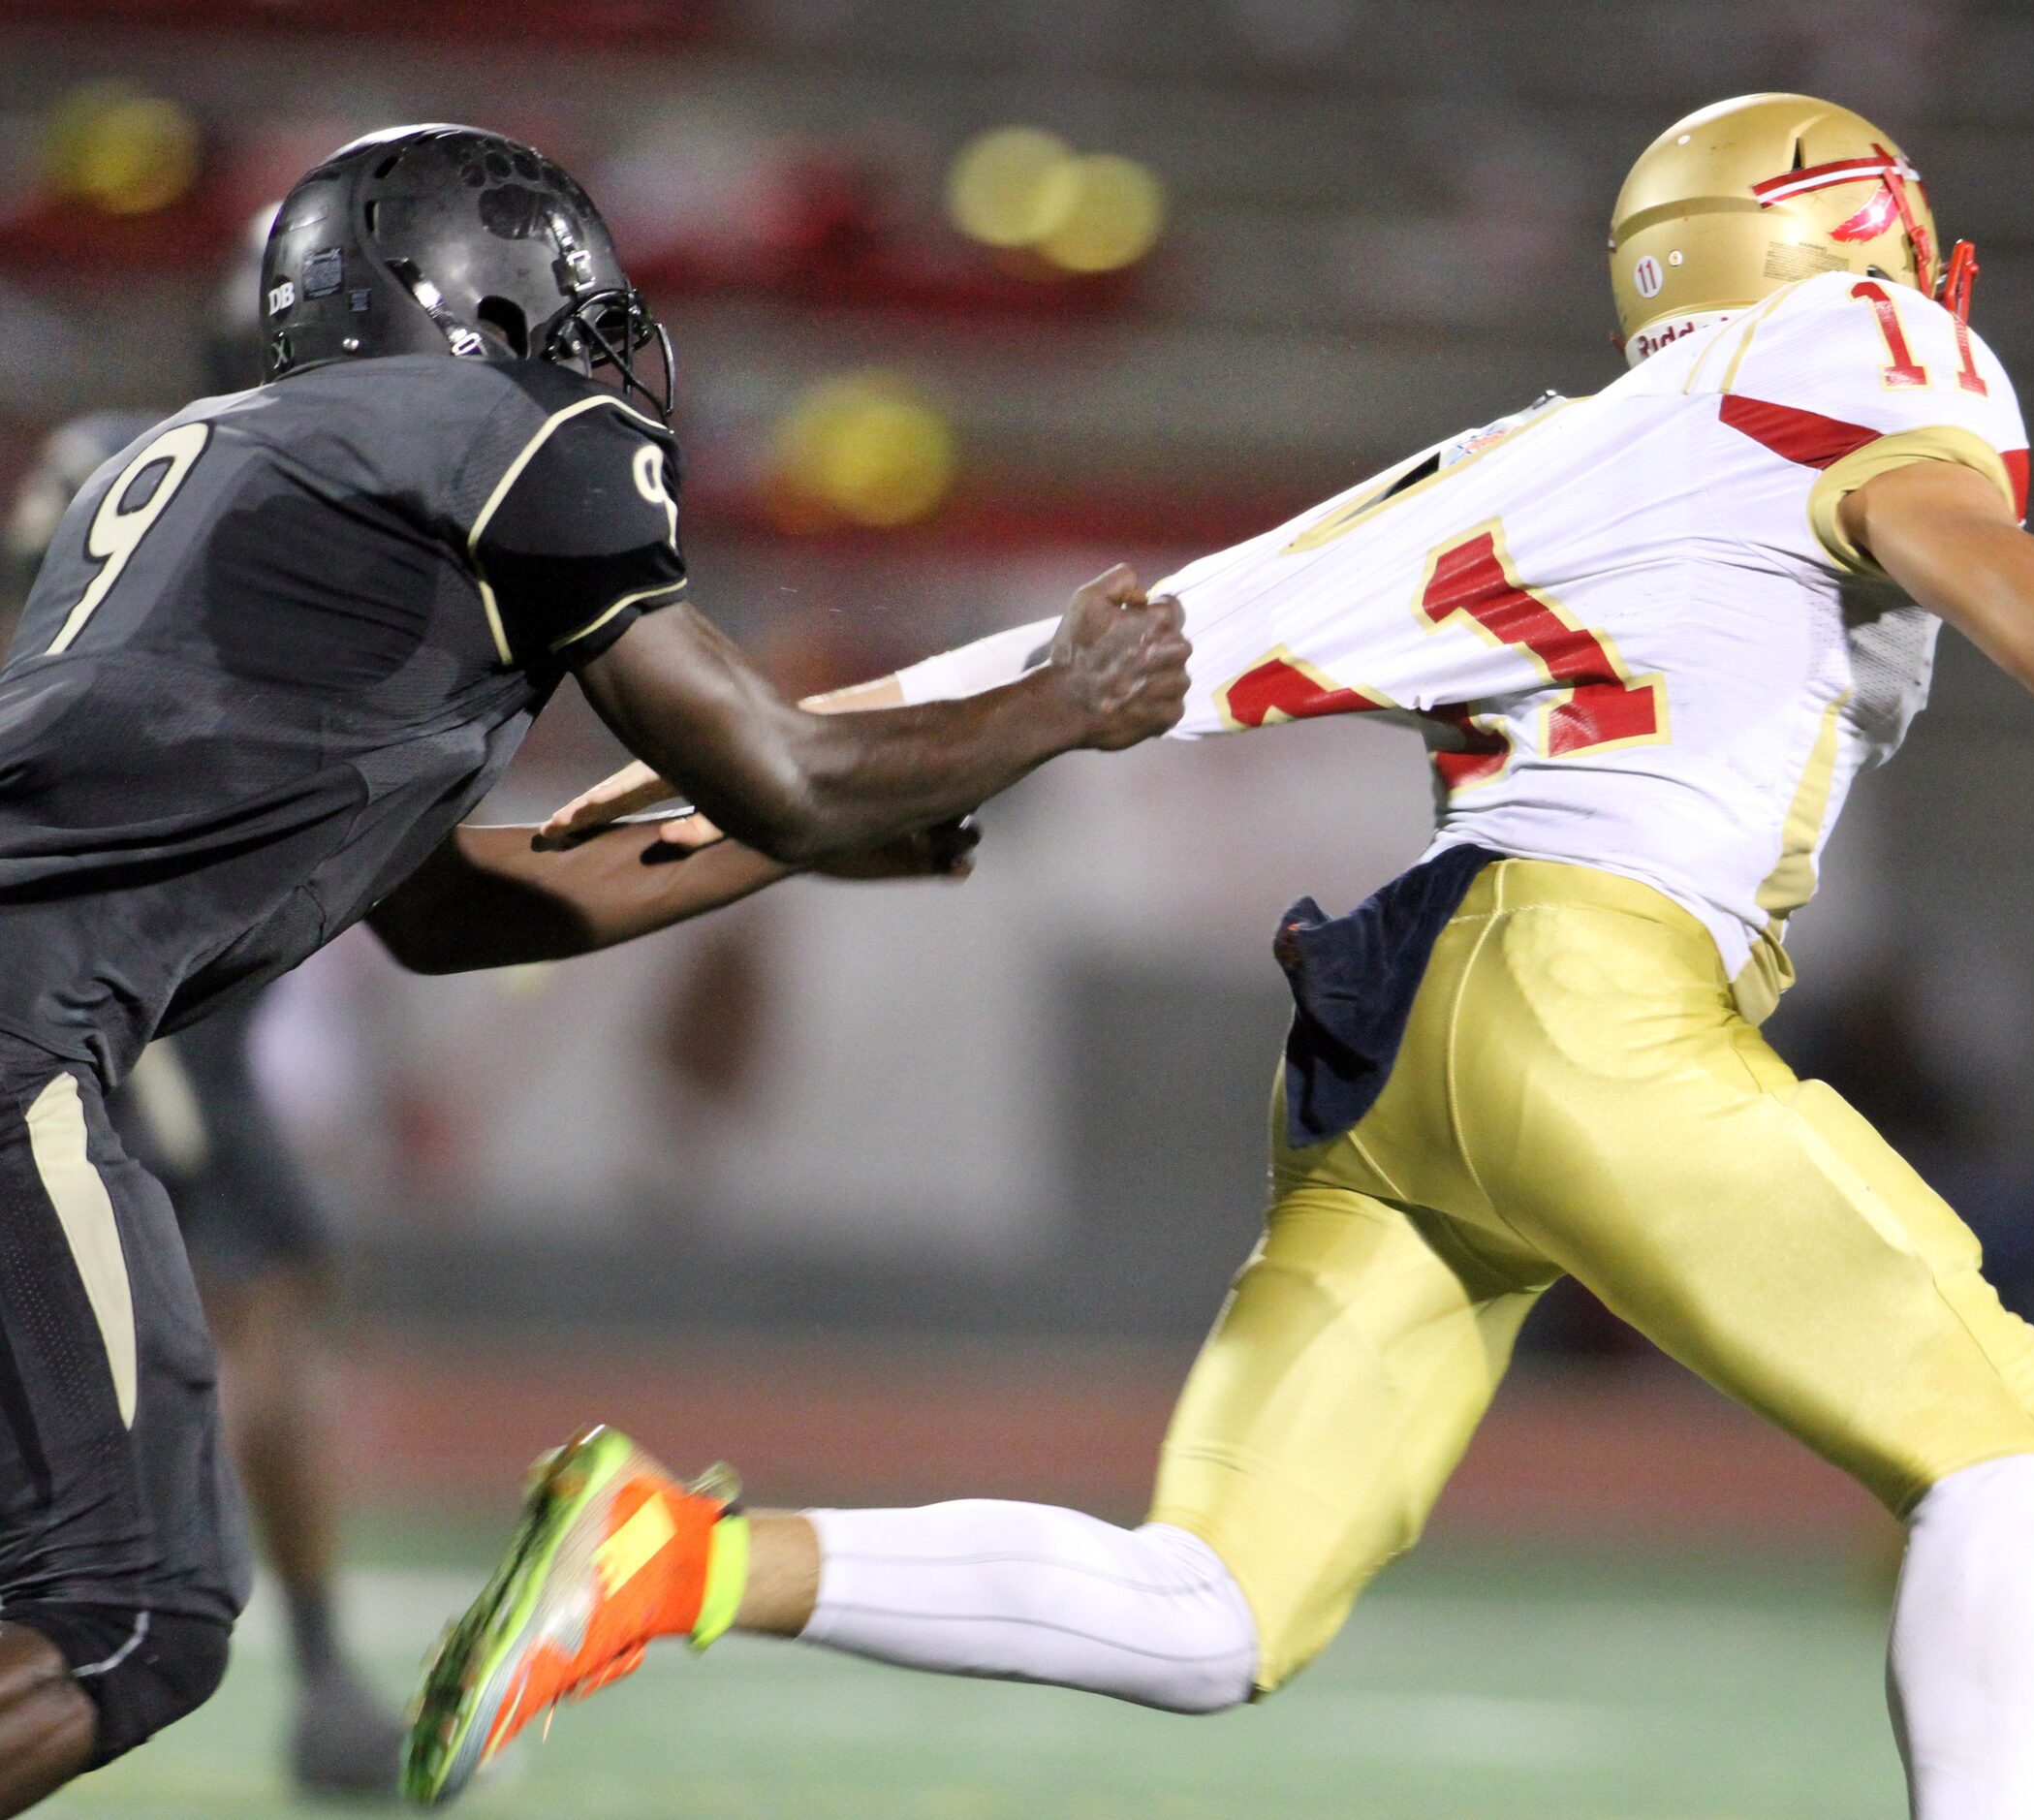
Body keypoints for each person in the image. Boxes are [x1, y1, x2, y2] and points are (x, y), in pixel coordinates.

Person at [425, 95, 2034, 1819]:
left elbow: (1195, 624)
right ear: (1840, 236)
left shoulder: (1577, 448)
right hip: (1587, 997)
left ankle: (671, 1561)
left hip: (1410, 1027)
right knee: (2009, 1455)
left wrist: (727, 775)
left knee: (1210, 1607)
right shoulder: (1862, 363)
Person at [0, 122, 1188, 1816]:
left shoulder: (223, 475)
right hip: (16, 1035)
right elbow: (778, 762)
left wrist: (808, 836)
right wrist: (1066, 703)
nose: (600, 350)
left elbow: (452, 908)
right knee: (126, 1620)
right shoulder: (498, 429)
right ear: (472, 296)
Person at [0, 217, 413, 1796]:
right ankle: (316, 1670)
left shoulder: (119, 461)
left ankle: (314, 1669)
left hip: (128, 943)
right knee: (147, 1578)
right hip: (114, 959)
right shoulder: (301, 496)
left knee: (253, 1298)